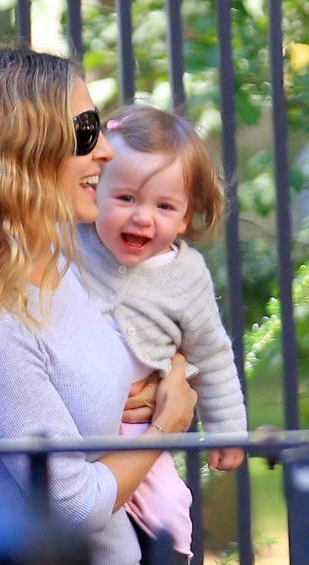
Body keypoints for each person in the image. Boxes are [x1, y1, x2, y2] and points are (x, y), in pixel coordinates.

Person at [0, 44, 197, 564]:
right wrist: (167, 423)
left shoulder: (66, 256)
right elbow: (72, 507)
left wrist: (165, 370)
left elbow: (154, 320)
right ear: (21, 152)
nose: (104, 150)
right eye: (85, 133)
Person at [75, 103, 247, 560]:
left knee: (171, 509)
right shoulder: (71, 244)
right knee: (89, 522)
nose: (143, 217)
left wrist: (228, 430)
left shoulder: (186, 275)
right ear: (96, 190)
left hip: (138, 429)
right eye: (126, 198)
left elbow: (212, 355)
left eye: (164, 205)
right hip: (73, 426)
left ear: (186, 217)